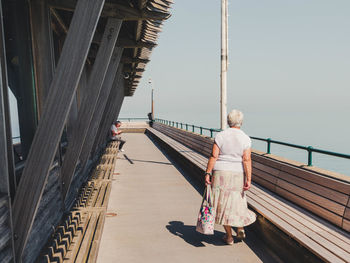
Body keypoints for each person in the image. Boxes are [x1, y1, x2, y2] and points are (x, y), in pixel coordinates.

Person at [204, 109, 256, 245]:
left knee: (222, 205)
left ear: (228, 121)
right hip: (237, 173)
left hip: (220, 173)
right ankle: (240, 227)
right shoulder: (245, 138)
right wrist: (249, 179)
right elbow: (246, 160)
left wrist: (208, 172)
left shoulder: (221, 136)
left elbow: (214, 156)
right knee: (237, 202)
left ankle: (229, 237)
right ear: (241, 122)